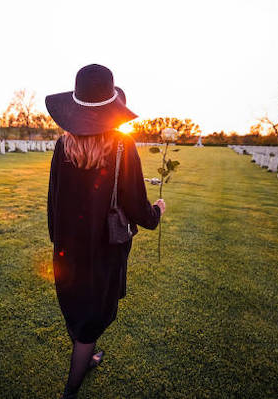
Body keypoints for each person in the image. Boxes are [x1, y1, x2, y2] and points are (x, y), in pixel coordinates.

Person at [46, 64, 165, 399]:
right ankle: (71, 390)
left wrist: (58, 240)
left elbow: (53, 203)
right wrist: (157, 212)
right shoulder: (123, 148)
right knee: (91, 319)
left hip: (68, 249)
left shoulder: (62, 146)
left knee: (79, 310)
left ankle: (89, 356)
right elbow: (139, 207)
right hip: (103, 252)